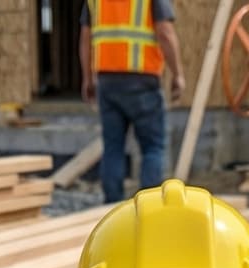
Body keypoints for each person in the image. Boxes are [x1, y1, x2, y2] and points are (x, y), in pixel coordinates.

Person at [79, 1, 185, 203]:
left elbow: (85, 36)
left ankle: (111, 209)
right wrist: (178, 74)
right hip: (143, 79)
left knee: (113, 148)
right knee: (152, 148)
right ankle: (149, 208)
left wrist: (87, 78)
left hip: (107, 81)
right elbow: (165, 32)